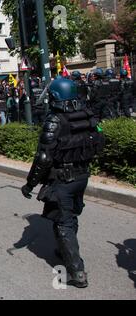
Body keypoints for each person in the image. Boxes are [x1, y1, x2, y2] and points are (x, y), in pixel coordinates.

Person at [21, 78, 104, 288]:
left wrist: (30, 184)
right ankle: (64, 250)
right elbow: (99, 139)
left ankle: (77, 271)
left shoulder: (55, 120)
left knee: (63, 222)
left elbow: (43, 158)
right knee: (70, 215)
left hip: (63, 179)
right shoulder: (87, 114)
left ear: (55, 96)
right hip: (82, 175)